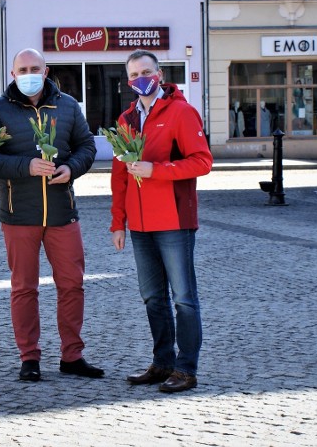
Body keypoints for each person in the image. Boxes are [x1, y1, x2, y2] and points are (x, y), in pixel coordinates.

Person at [0, 48, 103, 382]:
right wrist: (26, 166)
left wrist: (71, 167)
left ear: (46, 71)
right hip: (19, 214)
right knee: (24, 288)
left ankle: (72, 356)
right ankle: (29, 357)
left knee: (73, 285)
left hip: (63, 212)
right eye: (22, 69)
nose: (29, 73)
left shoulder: (68, 105)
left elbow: (87, 147)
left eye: (35, 68)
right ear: (12, 74)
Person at [109, 49, 213, 393]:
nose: (142, 78)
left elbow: (202, 162)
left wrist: (158, 171)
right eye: (135, 74)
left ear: (160, 73)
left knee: (183, 297)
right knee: (153, 297)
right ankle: (162, 362)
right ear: (128, 81)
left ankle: (186, 369)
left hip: (173, 220)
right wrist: (118, 222)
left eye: (147, 72)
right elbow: (120, 177)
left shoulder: (181, 112)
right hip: (139, 225)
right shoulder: (126, 121)